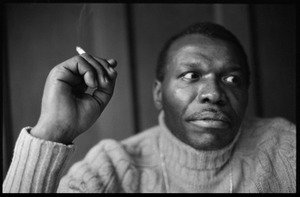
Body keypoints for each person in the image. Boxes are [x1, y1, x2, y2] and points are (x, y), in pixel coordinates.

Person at [3, 22, 295, 193]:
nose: (213, 93)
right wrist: (53, 131)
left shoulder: (284, 148)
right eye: (191, 75)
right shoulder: (110, 168)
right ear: (159, 93)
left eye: (232, 78)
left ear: (245, 92)